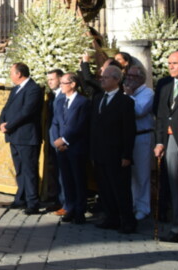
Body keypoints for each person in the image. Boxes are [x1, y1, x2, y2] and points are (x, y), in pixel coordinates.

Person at [90, 65, 136, 233]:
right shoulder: (98, 98)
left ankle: (127, 221)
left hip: (116, 153)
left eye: (106, 77)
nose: (102, 79)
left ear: (117, 80)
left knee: (120, 189)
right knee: (104, 188)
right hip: (99, 152)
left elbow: (128, 131)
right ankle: (111, 217)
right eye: (102, 77)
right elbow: (93, 126)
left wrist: (127, 155)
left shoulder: (125, 102)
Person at [0, 62, 43, 214]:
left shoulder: (34, 89)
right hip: (14, 136)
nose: (10, 75)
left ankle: (33, 202)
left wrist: (9, 125)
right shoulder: (16, 89)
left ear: (19, 74)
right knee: (19, 169)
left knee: (29, 170)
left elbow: (26, 112)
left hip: (26, 136)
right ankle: (21, 198)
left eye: (11, 72)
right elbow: (6, 107)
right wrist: (1, 122)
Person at [50, 73, 90, 224]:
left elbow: (79, 125)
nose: (61, 86)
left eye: (63, 83)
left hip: (76, 147)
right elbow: (55, 122)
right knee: (66, 180)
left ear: (73, 84)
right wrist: (56, 140)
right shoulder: (60, 102)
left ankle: (80, 210)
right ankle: (70, 207)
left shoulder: (83, 102)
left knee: (78, 179)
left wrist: (65, 140)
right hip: (61, 148)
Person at [154, 50, 178, 242]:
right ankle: (177, 227)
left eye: (175, 63)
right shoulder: (166, 86)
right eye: (169, 63)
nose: (170, 66)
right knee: (175, 186)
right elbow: (162, 117)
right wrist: (159, 141)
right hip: (171, 141)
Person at [123, 65, 154, 221]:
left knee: (142, 174)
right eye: (127, 75)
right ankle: (133, 204)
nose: (128, 78)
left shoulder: (147, 93)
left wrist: (128, 97)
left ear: (141, 78)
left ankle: (143, 207)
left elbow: (139, 111)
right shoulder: (128, 93)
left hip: (142, 136)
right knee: (131, 174)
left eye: (132, 76)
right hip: (128, 137)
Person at [43, 69, 64, 214]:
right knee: (56, 172)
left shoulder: (64, 96)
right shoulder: (52, 96)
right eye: (48, 79)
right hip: (53, 139)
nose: (49, 82)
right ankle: (58, 200)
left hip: (62, 141)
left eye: (52, 79)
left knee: (64, 174)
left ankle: (65, 202)